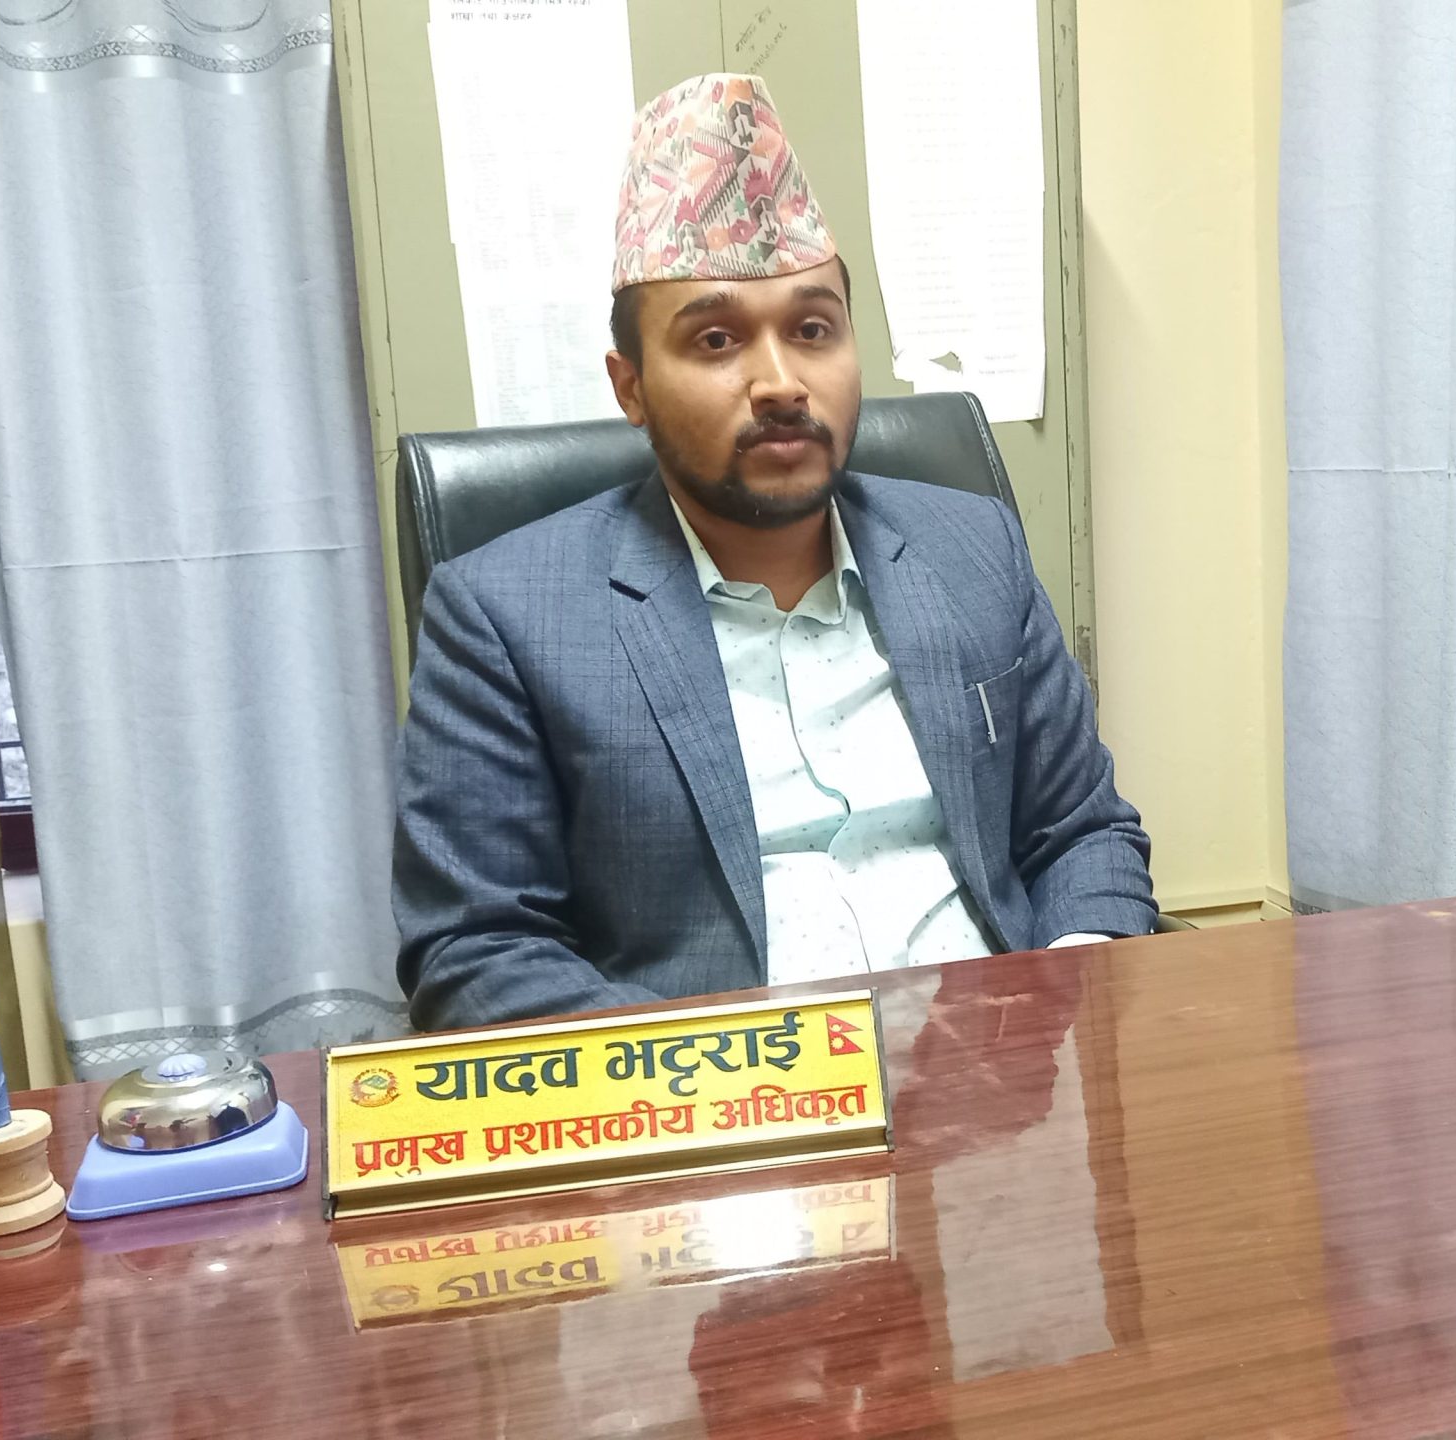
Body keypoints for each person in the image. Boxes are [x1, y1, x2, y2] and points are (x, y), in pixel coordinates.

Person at [393, 73, 1154, 1029]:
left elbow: (1082, 833)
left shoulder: (973, 547)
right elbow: (475, 948)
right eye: (716, 340)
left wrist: (1069, 993)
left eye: (813, 330)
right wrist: (738, 1077)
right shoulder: (504, 614)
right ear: (631, 388)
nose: (782, 382)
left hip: (1004, 1077)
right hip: (714, 1098)